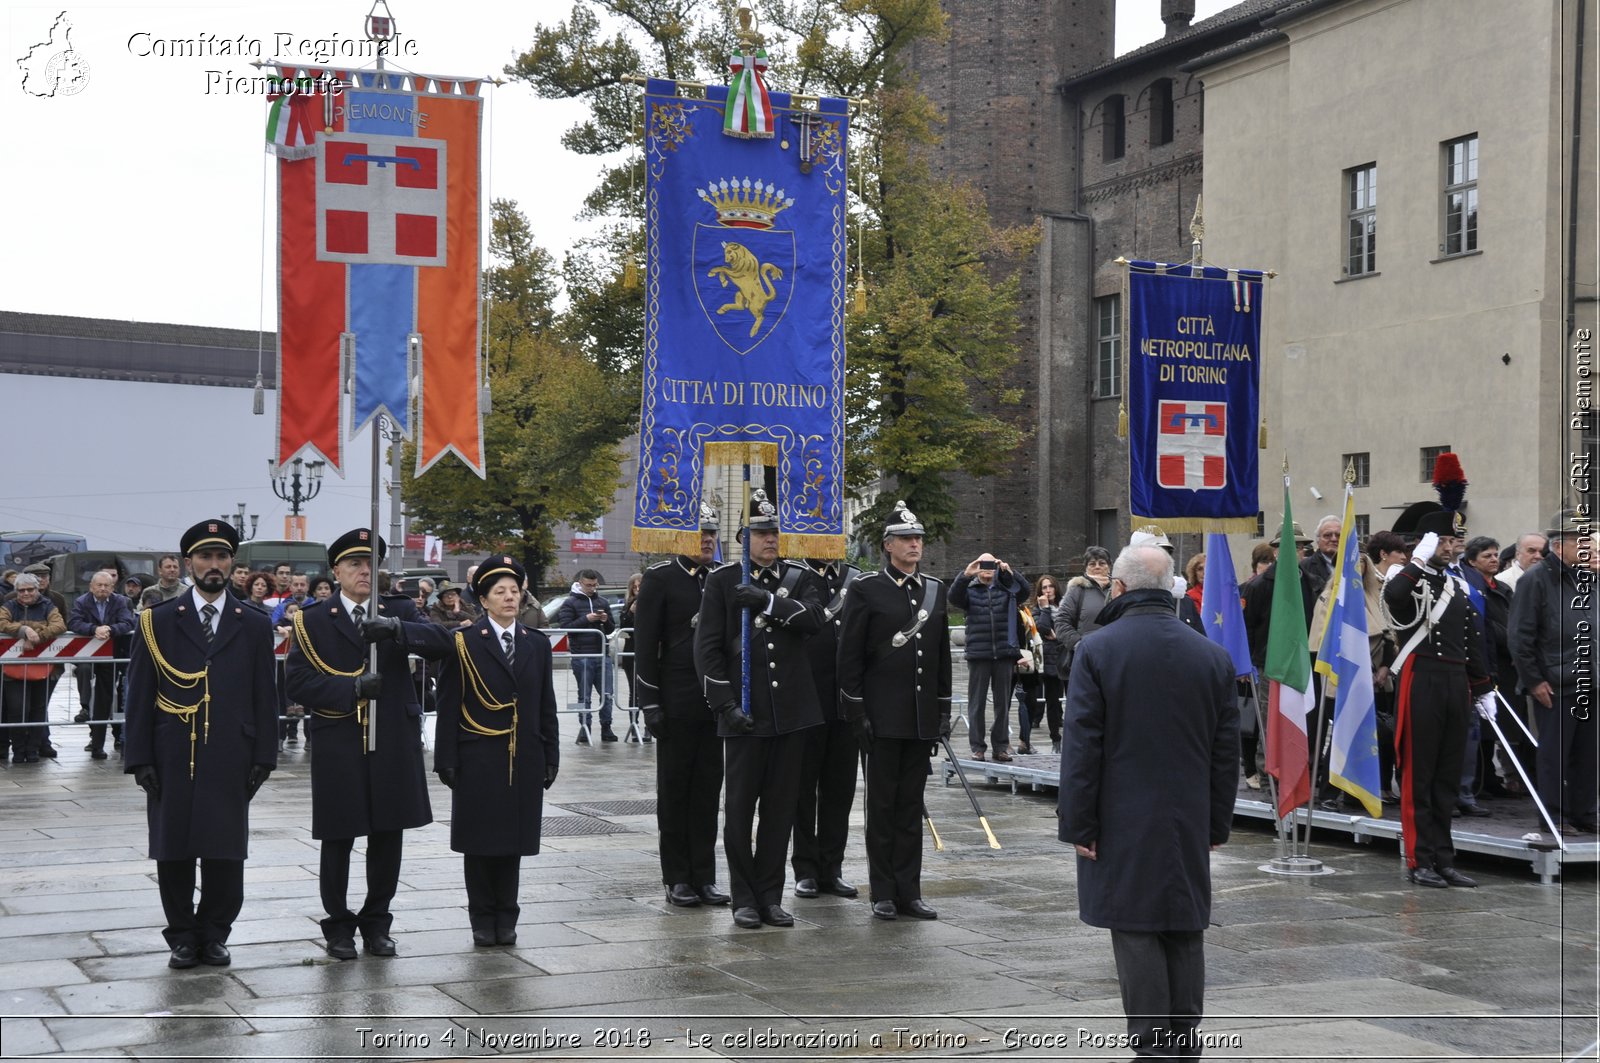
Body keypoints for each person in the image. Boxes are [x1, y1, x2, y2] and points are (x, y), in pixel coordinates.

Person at [1058, 544, 1239, 1058]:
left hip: (1120, 816)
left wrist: (1078, 824)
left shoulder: (1097, 650)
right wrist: (1216, 824)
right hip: (1188, 815)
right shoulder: (1213, 656)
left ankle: (1153, 1047)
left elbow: (1082, 747)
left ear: (1118, 588)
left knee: (1136, 927)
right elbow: (1226, 754)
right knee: (1183, 925)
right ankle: (1185, 1041)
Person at [284, 529, 451, 959]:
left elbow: (444, 643)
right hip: (340, 737)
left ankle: (377, 922)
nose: (363, 571)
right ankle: (338, 925)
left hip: (392, 735)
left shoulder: (396, 609)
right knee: (339, 834)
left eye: (369, 564)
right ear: (336, 571)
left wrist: (396, 630)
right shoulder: (313, 619)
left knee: (387, 833)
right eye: (353, 564)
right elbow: (298, 682)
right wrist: (352, 688)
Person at [123, 520, 278, 970]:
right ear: (187, 563)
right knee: (173, 847)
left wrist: (264, 756)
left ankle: (215, 933)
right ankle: (182, 936)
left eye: (222, 557)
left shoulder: (252, 622)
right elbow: (139, 694)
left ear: (233, 564)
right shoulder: (157, 621)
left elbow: (263, 695)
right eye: (205, 558)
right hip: (171, 751)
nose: (214, 566)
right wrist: (140, 758)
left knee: (225, 848)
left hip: (232, 751)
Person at [694, 490, 825, 930]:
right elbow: (708, 649)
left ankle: (770, 896)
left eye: (774, 532)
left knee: (780, 810)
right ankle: (744, 897)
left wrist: (768, 603)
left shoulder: (799, 576)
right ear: (742, 537)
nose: (771, 539)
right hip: (744, 714)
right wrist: (725, 704)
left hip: (791, 713)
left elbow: (814, 620)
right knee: (738, 812)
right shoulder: (722, 580)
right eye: (761, 532)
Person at [434, 555, 560, 946]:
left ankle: (507, 916)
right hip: (478, 756)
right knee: (480, 841)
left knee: (513, 842)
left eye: (515, 591)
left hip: (523, 754)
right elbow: (450, 704)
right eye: (500, 592)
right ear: (483, 600)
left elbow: (545, 705)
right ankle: (481, 917)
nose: (509, 598)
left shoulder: (536, 644)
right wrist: (446, 759)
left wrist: (551, 755)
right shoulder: (465, 642)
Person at [838, 501, 953, 921]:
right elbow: (849, 656)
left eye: (919, 538)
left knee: (910, 807)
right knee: (882, 809)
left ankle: (910, 891)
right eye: (906, 539)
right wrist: (855, 711)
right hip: (882, 718)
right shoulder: (867, 590)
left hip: (919, 718)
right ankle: (883, 891)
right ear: (888, 545)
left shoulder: (935, 589)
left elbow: (940, 656)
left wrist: (942, 708)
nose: (915, 545)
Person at [1382, 495, 1493, 886]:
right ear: (1425, 542)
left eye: (1453, 540)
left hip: (1454, 683)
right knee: (1419, 773)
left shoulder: (1456, 585)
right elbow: (1393, 601)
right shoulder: (1406, 578)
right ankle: (1419, 859)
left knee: (1446, 775)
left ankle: (1444, 858)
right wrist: (1415, 561)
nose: (1451, 547)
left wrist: (1484, 688)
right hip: (1421, 679)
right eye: (1443, 540)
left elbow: (1471, 638)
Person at [635, 504, 728, 908]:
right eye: (700, 534)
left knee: (708, 793)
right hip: (675, 700)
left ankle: (704, 876)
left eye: (711, 533)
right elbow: (645, 646)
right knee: (675, 793)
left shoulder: (723, 580)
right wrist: (650, 702)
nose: (707, 540)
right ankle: (677, 878)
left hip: (715, 703)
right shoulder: (661, 579)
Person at [1509, 510, 1597, 835]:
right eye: (1582, 542)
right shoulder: (1536, 580)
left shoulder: (1587, 578)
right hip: (1556, 684)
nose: (1588, 548)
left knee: (1588, 754)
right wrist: (1533, 680)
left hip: (1589, 680)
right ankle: (1553, 814)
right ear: (1560, 546)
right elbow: (1520, 636)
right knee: (1554, 755)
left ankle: (1585, 812)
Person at [791, 550, 864, 901]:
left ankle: (831, 867)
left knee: (840, 792)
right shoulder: (794, 576)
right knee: (802, 791)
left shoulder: (855, 577)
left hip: (844, 704)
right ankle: (805, 869)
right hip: (806, 702)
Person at [949, 552, 1029, 761]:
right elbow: (953, 598)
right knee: (976, 703)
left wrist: (1011, 572)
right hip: (979, 653)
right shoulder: (970, 589)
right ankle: (977, 747)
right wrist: (966, 574)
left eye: (991, 565)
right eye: (983, 565)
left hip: (1003, 652)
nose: (986, 569)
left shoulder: (1006, 588)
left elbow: (1025, 592)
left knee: (1003, 703)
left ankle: (1001, 746)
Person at [67, 570, 136, 760]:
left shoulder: (120, 601)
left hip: (111, 655)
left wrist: (110, 630)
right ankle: (85, 712)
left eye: (107, 586)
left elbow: (128, 622)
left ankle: (98, 744)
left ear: (112, 588)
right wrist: (93, 629)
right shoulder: (82, 601)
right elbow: (73, 622)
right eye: (99, 585)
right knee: (88, 689)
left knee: (105, 698)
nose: (103, 589)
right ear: (91, 587)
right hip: (88, 656)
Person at [0, 573, 65, 762]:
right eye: (21, 590)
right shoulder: (9, 605)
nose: (26, 593)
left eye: (30, 589)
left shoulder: (48, 605)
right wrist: (24, 631)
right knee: (16, 709)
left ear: (38, 589)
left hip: (41, 668)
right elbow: (1, 621)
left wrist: (38, 636)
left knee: (38, 709)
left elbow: (59, 625)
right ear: (16, 592)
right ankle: (19, 750)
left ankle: (33, 750)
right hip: (13, 670)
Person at [555, 569, 616, 743]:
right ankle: (584, 728)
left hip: (601, 653)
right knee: (584, 695)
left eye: (594, 585)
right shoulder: (570, 603)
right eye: (588, 585)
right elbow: (566, 626)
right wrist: (587, 619)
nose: (592, 588)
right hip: (581, 654)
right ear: (580, 583)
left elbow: (611, 629)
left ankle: (607, 727)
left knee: (607, 694)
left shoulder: (602, 601)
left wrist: (605, 620)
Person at [1029, 575, 1067, 754]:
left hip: (1066, 658)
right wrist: (1045, 609)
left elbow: (1070, 629)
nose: (1048, 590)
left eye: (1051, 587)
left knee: (1066, 701)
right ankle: (1054, 739)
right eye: (1044, 588)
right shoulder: (1036, 610)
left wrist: (1059, 637)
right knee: (1048, 700)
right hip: (1048, 661)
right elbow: (1043, 628)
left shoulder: (1065, 607)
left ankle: (1065, 738)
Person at [617, 572, 644, 736]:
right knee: (634, 690)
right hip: (630, 650)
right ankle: (634, 725)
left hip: (647, 651)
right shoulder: (628, 605)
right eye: (634, 587)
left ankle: (648, 728)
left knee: (647, 689)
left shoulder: (652, 602)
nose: (637, 590)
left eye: (640, 586)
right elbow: (623, 625)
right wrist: (631, 612)